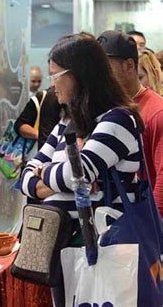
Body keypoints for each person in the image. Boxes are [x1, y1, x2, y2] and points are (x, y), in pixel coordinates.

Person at [20, 34, 145, 306]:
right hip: (65, 246)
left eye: (56, 75)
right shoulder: (67, 122)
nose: (52, 85)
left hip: (107, 246)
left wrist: (48, 174)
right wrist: (55, 177)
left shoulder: (119, 119)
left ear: (79, 75)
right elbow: (26, 176)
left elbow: (78, 174)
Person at [98, 30, 163, 213]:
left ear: (128, 65)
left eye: (107, 68)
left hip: (141, 220)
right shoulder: (106, 108)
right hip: (111, 219)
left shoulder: (157, 111)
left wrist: (153, 227)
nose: (102, 75)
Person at [14, 86, 61, 204]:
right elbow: (19, 125)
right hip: (38, 161)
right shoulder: (40, 99)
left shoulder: (78, 104)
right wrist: (40, 135)